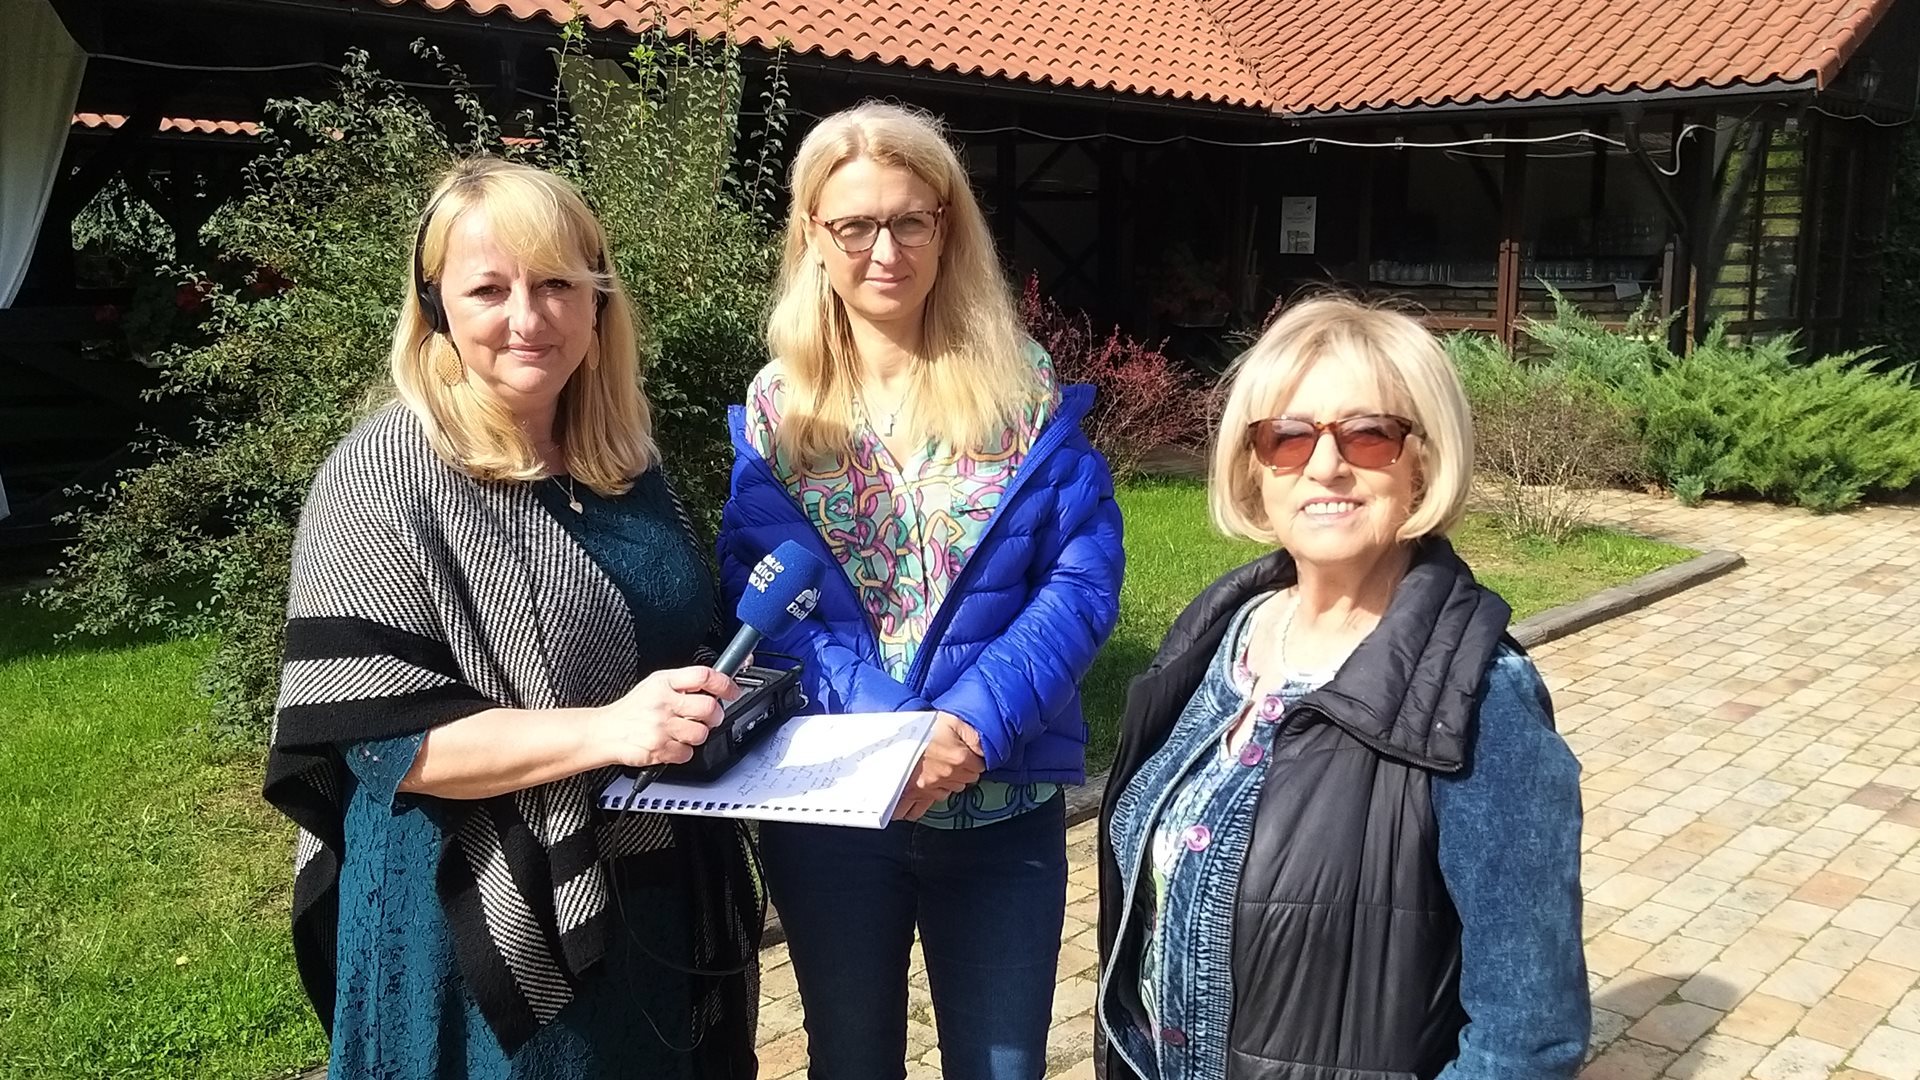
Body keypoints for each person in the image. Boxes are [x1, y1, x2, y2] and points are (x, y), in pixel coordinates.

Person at [263, 158, 761, 1079]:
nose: (529, 318)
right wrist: (611, 729)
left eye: (558, 285)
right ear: (436, 308)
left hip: (652, 897)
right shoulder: (384, 475)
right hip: (484, 924)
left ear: (598, 304)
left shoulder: (625, 460)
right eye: (489, 289)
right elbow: (390, 745)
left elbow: (680, 629)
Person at [717, 102, 1124, 1080]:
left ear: (948, 228)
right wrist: (893, 732)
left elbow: (1079, 578)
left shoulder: (1020, 387)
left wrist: (972, 726)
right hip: (834, 806)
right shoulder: (781, 407)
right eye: (856, 225)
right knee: (851, 1062)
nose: (886, 250)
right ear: (814, 236)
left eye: (910, 220)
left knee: (1002, 1068)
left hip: (999, 797)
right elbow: (764, 591)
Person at [1095, 297, 1589, 1080]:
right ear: (1254, 464)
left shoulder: (1480, 697)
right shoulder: (1219, 637)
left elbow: (1526, 1038)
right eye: (1288, 436)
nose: (1325, 465)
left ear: (1423, 460)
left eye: (1368, 433)